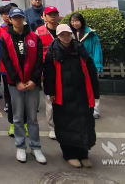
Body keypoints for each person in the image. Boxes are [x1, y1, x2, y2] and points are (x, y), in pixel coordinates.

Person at [43, 25, 99, 168]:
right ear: (58, 36)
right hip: (63, 94)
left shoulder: (80, 48)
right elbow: (49, 74)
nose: (66, 37)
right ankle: (69, 154)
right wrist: (51, 93)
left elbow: (90, 69)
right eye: (62, 34)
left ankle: (83, 153)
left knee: (84, 122)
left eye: (68, 34)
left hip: (81, 92)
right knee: (66, 123)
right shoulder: (52, 52)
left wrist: (95, 90)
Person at [0, 7, 46, 164]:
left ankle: (36, 147)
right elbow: (6, 61)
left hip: (32, 83)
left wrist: (34, 80)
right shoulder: (5, 38)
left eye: (20, 17)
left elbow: (39, 61)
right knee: (18, 117)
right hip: (15, 84)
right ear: (10, 20)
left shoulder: (34, 37)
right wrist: (17, 81)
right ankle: (20, 146)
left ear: (24, 19)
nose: (18, 20)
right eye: (15, 18)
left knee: (32, 117)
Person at [0, 5, 26, 136]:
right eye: (5, 14)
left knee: (26, 98)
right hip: (7, 69)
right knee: (11, 98)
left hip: (25, 69)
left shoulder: (26, 31)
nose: (8, 16)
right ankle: (13, 123)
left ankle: (26, 123)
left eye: (9, 13)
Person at [69, 12, 103, 119]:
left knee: (93, 87)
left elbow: (97, 50)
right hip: (75, 65)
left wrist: (97, 65)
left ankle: (95, 109)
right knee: (77, 87)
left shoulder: (91, 34)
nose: (74, 23)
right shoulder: (69, 34)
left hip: (89, 64)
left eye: (76, 21)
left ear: (81, 21)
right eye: (72, 21)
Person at [36, 6, 60, 140]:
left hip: (63, 68)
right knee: (50, 98)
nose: (53, 16)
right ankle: (52, 127)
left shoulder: (64, 29)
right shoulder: (39, 31)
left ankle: (64, 125)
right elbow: (36, 53)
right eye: (50, 14)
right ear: (44, 16)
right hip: (47, 69)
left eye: (55, 14)